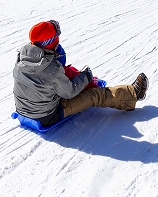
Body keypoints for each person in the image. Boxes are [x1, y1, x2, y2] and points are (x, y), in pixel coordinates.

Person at [12, 20, 148, 128]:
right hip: (46, 116)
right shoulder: (52, 69)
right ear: (52, 42)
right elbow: (69, 92)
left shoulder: (22, 57)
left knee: (62, 76)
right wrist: (86, 76)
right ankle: (133, 94)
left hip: (23, 110)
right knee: (95, 95)